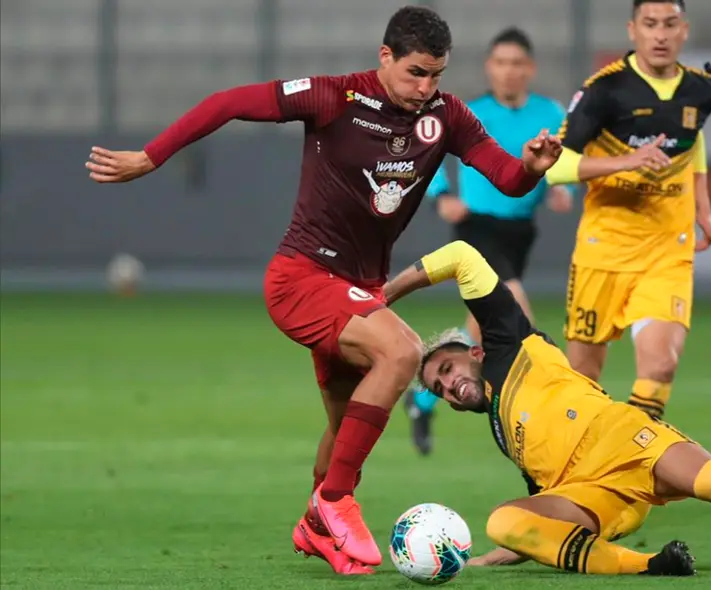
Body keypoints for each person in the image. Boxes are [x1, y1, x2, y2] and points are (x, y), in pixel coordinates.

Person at [84, 5, 562, 575]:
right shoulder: (335, 98)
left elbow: (507, 178)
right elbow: (228, 103)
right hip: (302, 279)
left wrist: (532, 167)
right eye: (415, 72)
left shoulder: (447, 115)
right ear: (384, 57)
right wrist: (150, 156)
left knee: (344, 429)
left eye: (436, 74)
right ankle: (335, 502)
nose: (425, 87)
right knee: (405, 352)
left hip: (361, 291)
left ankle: (315, 524)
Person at [382, 240, 711, 577]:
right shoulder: (505, 435)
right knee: (502, 522)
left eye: (448, 369)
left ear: (472, 352)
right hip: (594, 493)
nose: (449, 385)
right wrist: (494, 553)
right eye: (438, 387)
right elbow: (541, 517)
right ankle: (651, 568)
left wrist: (386, 295)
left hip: (626, 437)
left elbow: (460, 256)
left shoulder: (508, 342)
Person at [404, 27, 574, 456]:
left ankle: (423, 398)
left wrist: (563, 189)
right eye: (501, 63)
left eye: (517, 63)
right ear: (489, 67)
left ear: (530, 68)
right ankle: (536, 420)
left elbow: (562, 162)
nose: (509, 71)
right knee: (515, 314)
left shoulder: (549, 112)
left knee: (483, 324)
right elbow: (427, 152)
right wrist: (442, 196)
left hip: (520, 232)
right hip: (477, 229)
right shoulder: (471, 111)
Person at [546, 0, 711, 420]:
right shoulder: (603, 91)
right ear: (632, 30)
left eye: (669, 24)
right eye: (650, 24)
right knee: (583, 379)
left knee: (661, 365)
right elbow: (555, 167)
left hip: (667, 249)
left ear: (684, 30)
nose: (660, 34)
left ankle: (634, 458)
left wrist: (704, 206)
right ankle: (581, 471)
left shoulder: (703, 89)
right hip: (604, 249)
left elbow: (691, 140)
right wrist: (626, 161)